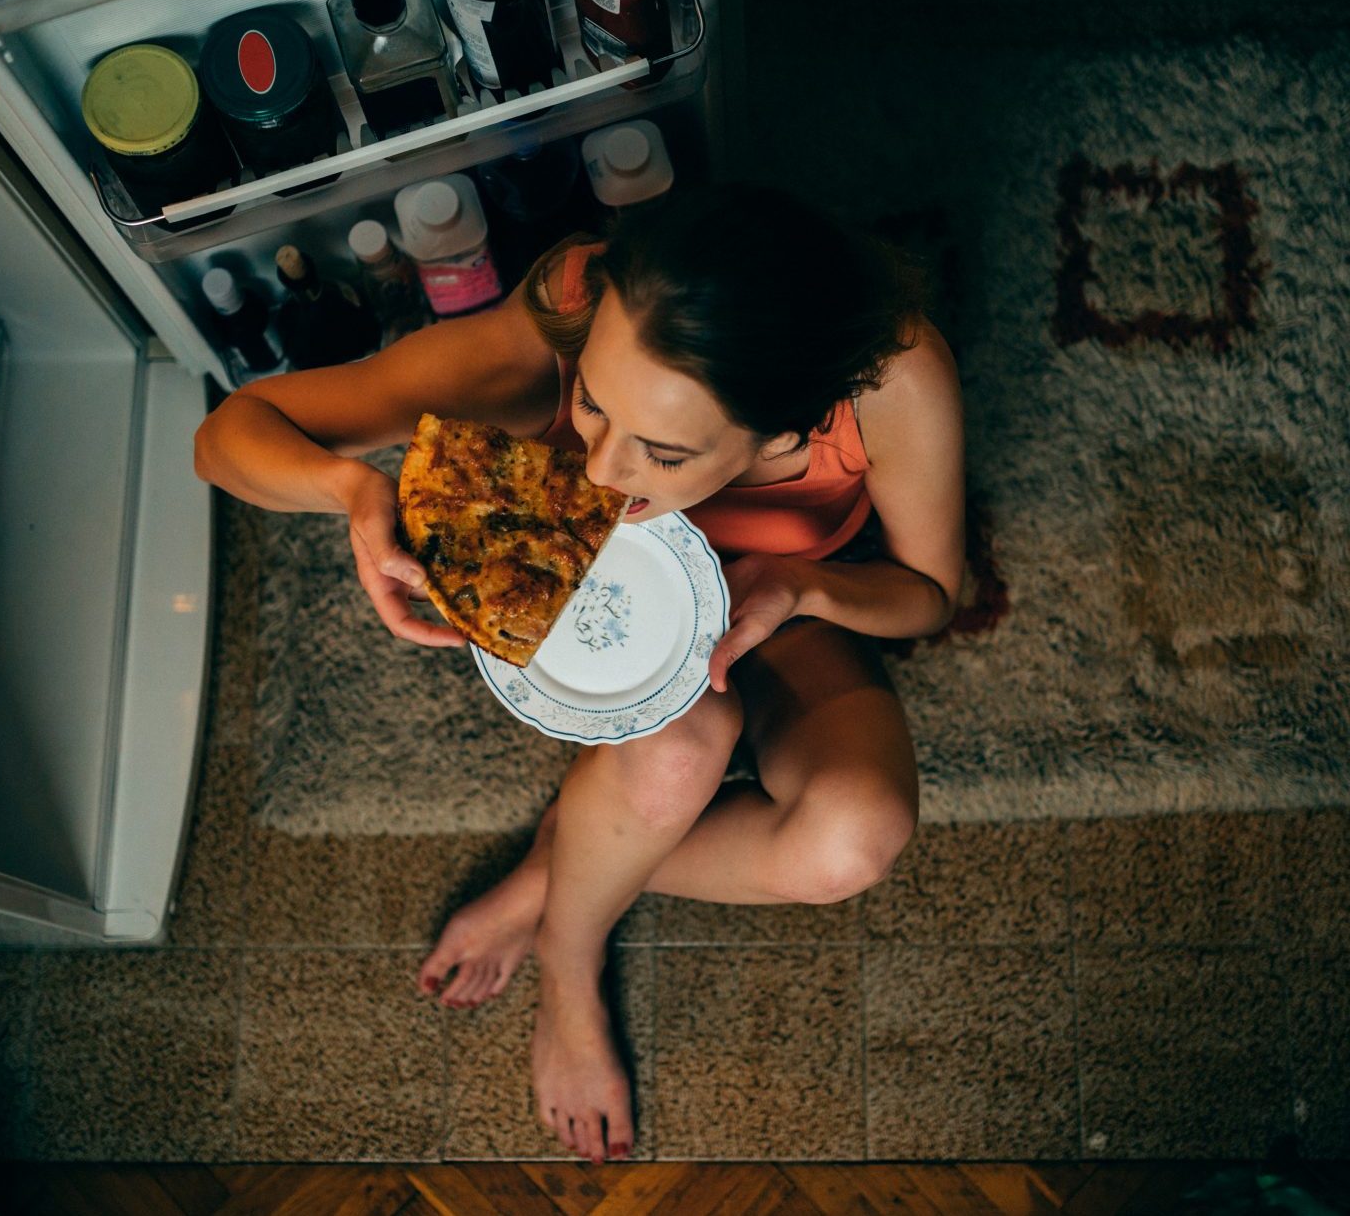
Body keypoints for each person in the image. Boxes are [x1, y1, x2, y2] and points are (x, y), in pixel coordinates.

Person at [192, 182, 966, 1166]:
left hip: (774, 604)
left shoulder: (889, 379)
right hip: (579, 608)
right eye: (595, 406)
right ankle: (569, 958)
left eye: (663, 450)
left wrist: (803, 585)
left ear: (784, 430)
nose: (603, 470)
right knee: (679, 751)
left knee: (851, 843)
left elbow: (929, 593)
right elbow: (225, 439)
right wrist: (353, 488)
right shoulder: (569, 305)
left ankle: (565, 863)